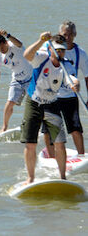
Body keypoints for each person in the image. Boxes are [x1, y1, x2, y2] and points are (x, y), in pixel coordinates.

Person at [21, 32, 78, 184]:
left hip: (52, 105)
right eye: (57, 49)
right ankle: (30, 178)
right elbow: (26, 55)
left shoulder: (66, 64)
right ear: (51, 49)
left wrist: (75, 84)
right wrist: (40, 40)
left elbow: (70, 78)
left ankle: (63, 178)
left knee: (60, 143)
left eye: (63, 50)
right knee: (31, 143)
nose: (60, 53)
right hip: (34, 103)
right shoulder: (41, 57)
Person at [43, 21, 87, 156]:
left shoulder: (80, 53)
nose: (66, 38)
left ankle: (81, 156)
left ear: (75, 35)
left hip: (70, 96)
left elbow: (87, 77)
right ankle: (51, 157)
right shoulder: (49, 47)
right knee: (48, 129)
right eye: (64, 35)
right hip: (51, 96)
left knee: (75, 129)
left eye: (69, 35)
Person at [0, 30, 32, 132]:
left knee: (35, 103)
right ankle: (4, 127)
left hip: (30, 78)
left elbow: (20, 43)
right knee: (9, 103)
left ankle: (41, 125)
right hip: (17, 80)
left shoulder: (15, 45)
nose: (1, 50)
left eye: (2, 48)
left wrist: (7, 35)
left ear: (6, 43)